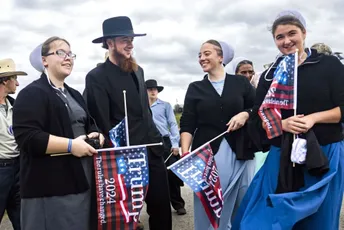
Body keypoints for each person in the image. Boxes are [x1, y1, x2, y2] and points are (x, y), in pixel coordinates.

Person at [233, 10, 344, 230]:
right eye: (279, 37)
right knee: (265, 216)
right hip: (282, 154)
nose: (286, 41)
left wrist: (313, 118)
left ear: (303, 33)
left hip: (324, 153)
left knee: (319, 219)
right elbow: (258, 116)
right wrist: (281, 124)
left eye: (292, 33)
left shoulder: (329, 65)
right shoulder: (270, 75)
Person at [84, 16, 172, 230]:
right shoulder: (96, 76)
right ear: (110, 43)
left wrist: (158, 141)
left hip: (151, 150)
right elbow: (101, 121)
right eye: (125, 39)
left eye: (132, 39)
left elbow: (145, 112)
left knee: (161, 207)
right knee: (124, 215)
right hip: (123, 155)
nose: (130, 44)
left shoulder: (138, 71)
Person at [12, 36, 104, 230]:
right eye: (61, 52)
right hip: (51, 186)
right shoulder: (32, 93)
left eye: (71, 54)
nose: (68, 58)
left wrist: (96, 134)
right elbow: (27, 138)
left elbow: (90, 123)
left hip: (82, 179)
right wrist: (71, 145)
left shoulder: (75, 94)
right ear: (44, 60)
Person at [180, 40, 256, 230]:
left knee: (243, 198)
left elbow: (258, 106)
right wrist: (184, 152)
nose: (202, 58)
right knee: (210, 200)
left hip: (241, 149)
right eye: (200, 55)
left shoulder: (240, 82)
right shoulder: (195, 88)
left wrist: (245, 114)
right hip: (208, 154)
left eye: (206, 54)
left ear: (221, 57)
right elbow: (188, 122)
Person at [146, 79, 186, 215]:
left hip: (164, 141)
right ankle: (155, 206)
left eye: (155, 89)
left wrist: (175, 144)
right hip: (147, 142)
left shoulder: (165, 105)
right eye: (150, 88)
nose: (153, 91)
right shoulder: (141, 106)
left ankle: (178, 203)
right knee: (150, 175)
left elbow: (173, 124)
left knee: (172, 173)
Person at [0, 58, 27, 230]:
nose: (17, 83)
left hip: (17, 168)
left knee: (21, 217)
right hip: (1, 169)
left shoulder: (14, 106)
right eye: (14, 78)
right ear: (4, 80)